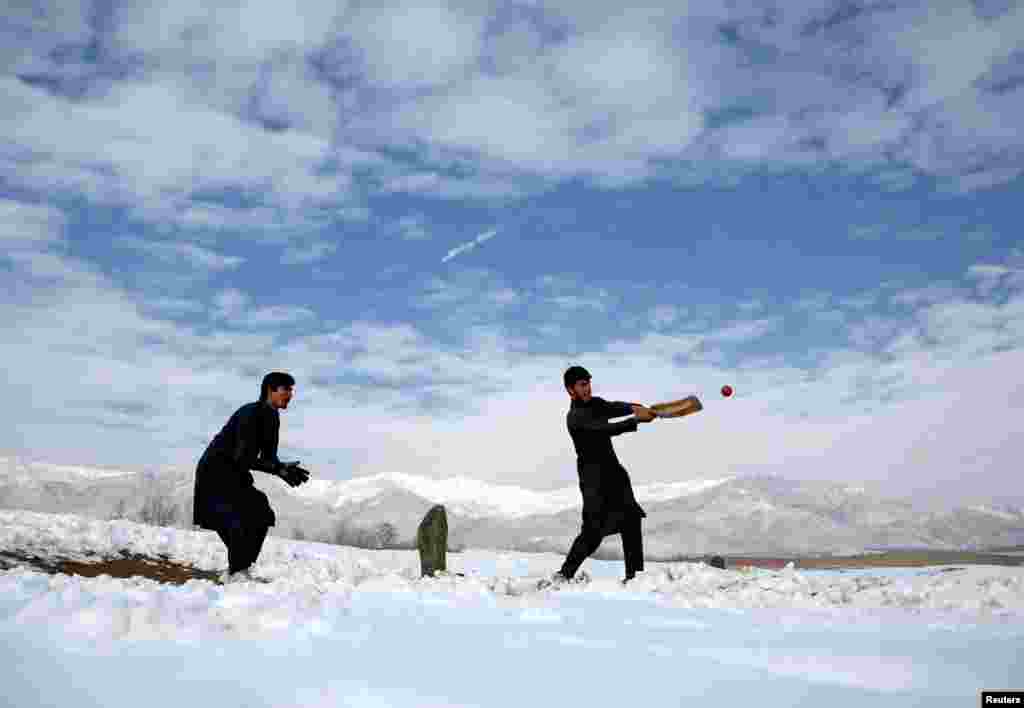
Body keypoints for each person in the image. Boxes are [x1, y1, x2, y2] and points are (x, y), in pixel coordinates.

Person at [192, 372, 310, 582]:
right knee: (240, 519)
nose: (290, 394)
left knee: (261, 513)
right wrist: (278, 469)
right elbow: (243, 457)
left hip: (235, 473)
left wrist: (282, 468)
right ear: (270, 390)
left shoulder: (273, 418)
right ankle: (237, 571)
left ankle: (238, 570)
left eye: (291, 390)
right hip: (215, 472)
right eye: (286, 389)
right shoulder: (251, 413)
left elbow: (267, 458)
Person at [551, 365, 656, 586]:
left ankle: (634, 577)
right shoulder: (575, 417)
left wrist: (636, 407)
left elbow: (614, 407)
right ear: (570, 390)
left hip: (614, 474)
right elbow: (604, 430)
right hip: (593, 480)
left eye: (588, 383)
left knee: (631, 520)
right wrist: (636, 420)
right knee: (592, 533)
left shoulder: (597, 404)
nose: (587, 388)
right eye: (582, 385)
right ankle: (564, 574)